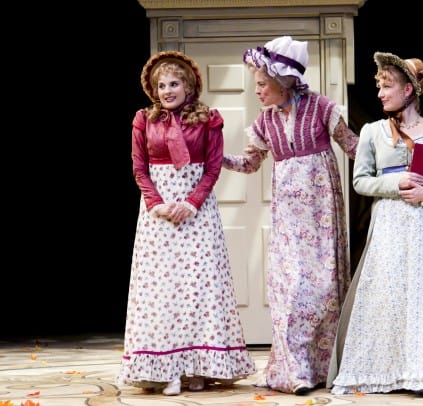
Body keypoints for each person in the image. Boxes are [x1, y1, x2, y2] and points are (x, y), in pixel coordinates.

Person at [222, 36, 359, 395]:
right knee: (290, 291)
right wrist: (215, 157)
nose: (258, 92)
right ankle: (293, 370)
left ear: (283, 80)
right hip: (288, 220)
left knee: (325, 289)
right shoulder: (265, 122)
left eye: (262, 84)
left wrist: (395, 160)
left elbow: (354, 147)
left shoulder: (322, 108)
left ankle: (322, 369)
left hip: (322, 214)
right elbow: (251, 162)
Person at [327, 51, 423, 398]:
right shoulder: (374, 132)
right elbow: (361, 181)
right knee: (386, 296)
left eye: (387, 86)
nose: (380, 94)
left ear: (409, 90)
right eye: (379, 86)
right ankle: (383, 370)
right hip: (390, 221)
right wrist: (396, 184)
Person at [117, 51, 256, 396]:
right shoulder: (143, 120)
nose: (167, 90)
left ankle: (200, 368)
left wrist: (192, 204)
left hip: (197, 215)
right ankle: (168, 369)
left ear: (189, 85)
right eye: (161, 85)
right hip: (158, 217)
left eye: (174, 83)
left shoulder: (208, 119)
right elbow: (139, 168)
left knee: (200, 289)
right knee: (162, 292)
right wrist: (157, 204)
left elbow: (211, 168)